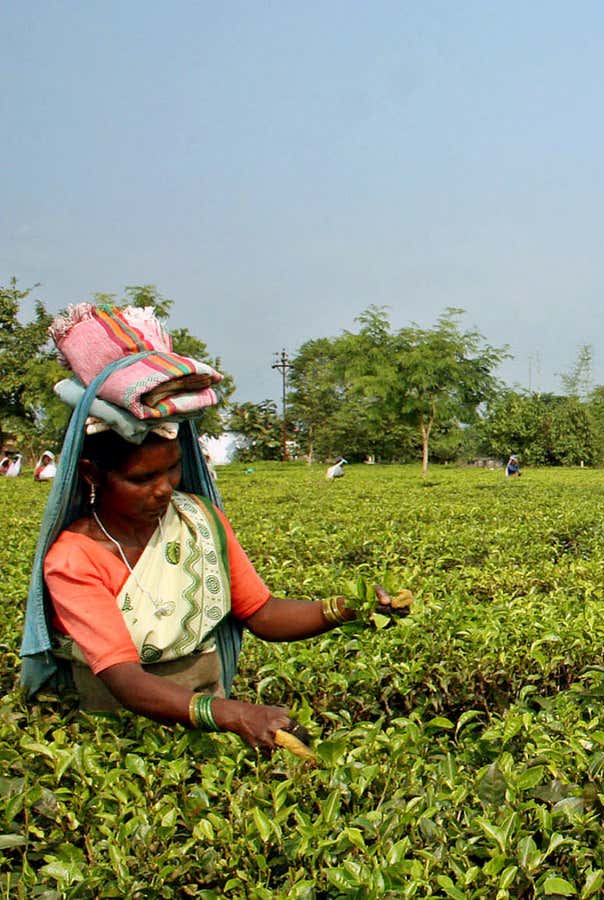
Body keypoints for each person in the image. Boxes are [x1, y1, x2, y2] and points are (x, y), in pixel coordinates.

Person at [21, 302, 412, 753]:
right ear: (91, 475)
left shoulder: (198, 520)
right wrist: (236, 714)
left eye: (170, 470)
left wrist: (351, 607)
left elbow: (261, 612)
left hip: (211, 730)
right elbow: (125, 680)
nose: (164, 489)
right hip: (118, 741)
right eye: (141, 479)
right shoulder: (74, 558)